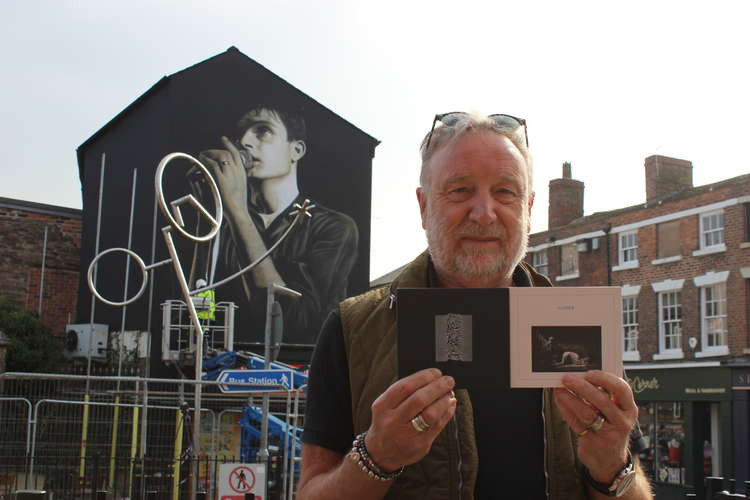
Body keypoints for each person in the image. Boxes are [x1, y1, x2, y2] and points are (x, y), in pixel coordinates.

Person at [298, 112, 653, 499]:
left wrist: (613, 466)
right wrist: (376, 456)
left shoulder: (580, 326)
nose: (484, 213)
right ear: (423, 206)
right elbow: (310, 491)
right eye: (460, 190)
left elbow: (632, 489)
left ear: (528, 209)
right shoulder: (353, 328)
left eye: (505, 192)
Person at [197, 103, 359, 351]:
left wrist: (238, 213)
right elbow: (197, 298)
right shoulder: (222, 222)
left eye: (262, 131)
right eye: (241, 134)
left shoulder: (335, 227)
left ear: (296, 149)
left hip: (297, 374)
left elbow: (293, 324)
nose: (246, 142)